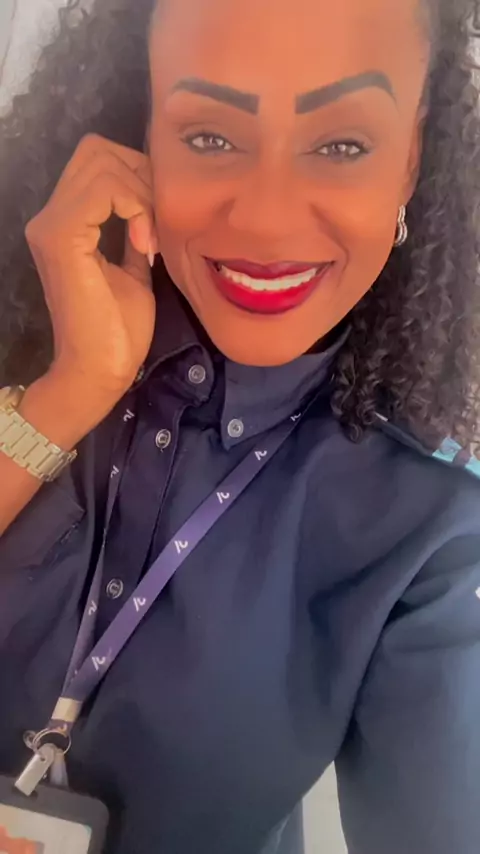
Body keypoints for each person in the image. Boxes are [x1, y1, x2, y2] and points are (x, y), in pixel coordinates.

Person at [0, 0, 479, 852]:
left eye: (341, 145)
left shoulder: (428, 532)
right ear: (141, 130)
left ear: (411, 159)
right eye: (210, 136)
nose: (265, 219)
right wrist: (71, 389)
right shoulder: (21, 322)